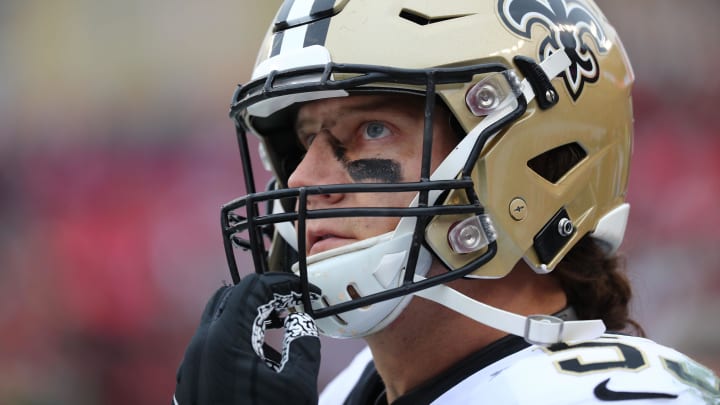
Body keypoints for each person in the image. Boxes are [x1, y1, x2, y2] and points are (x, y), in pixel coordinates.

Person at [173, 0, 720, 404]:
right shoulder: (346, 392)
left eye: (373, 128)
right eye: (304, 139)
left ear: (529, 159)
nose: (303, 179)